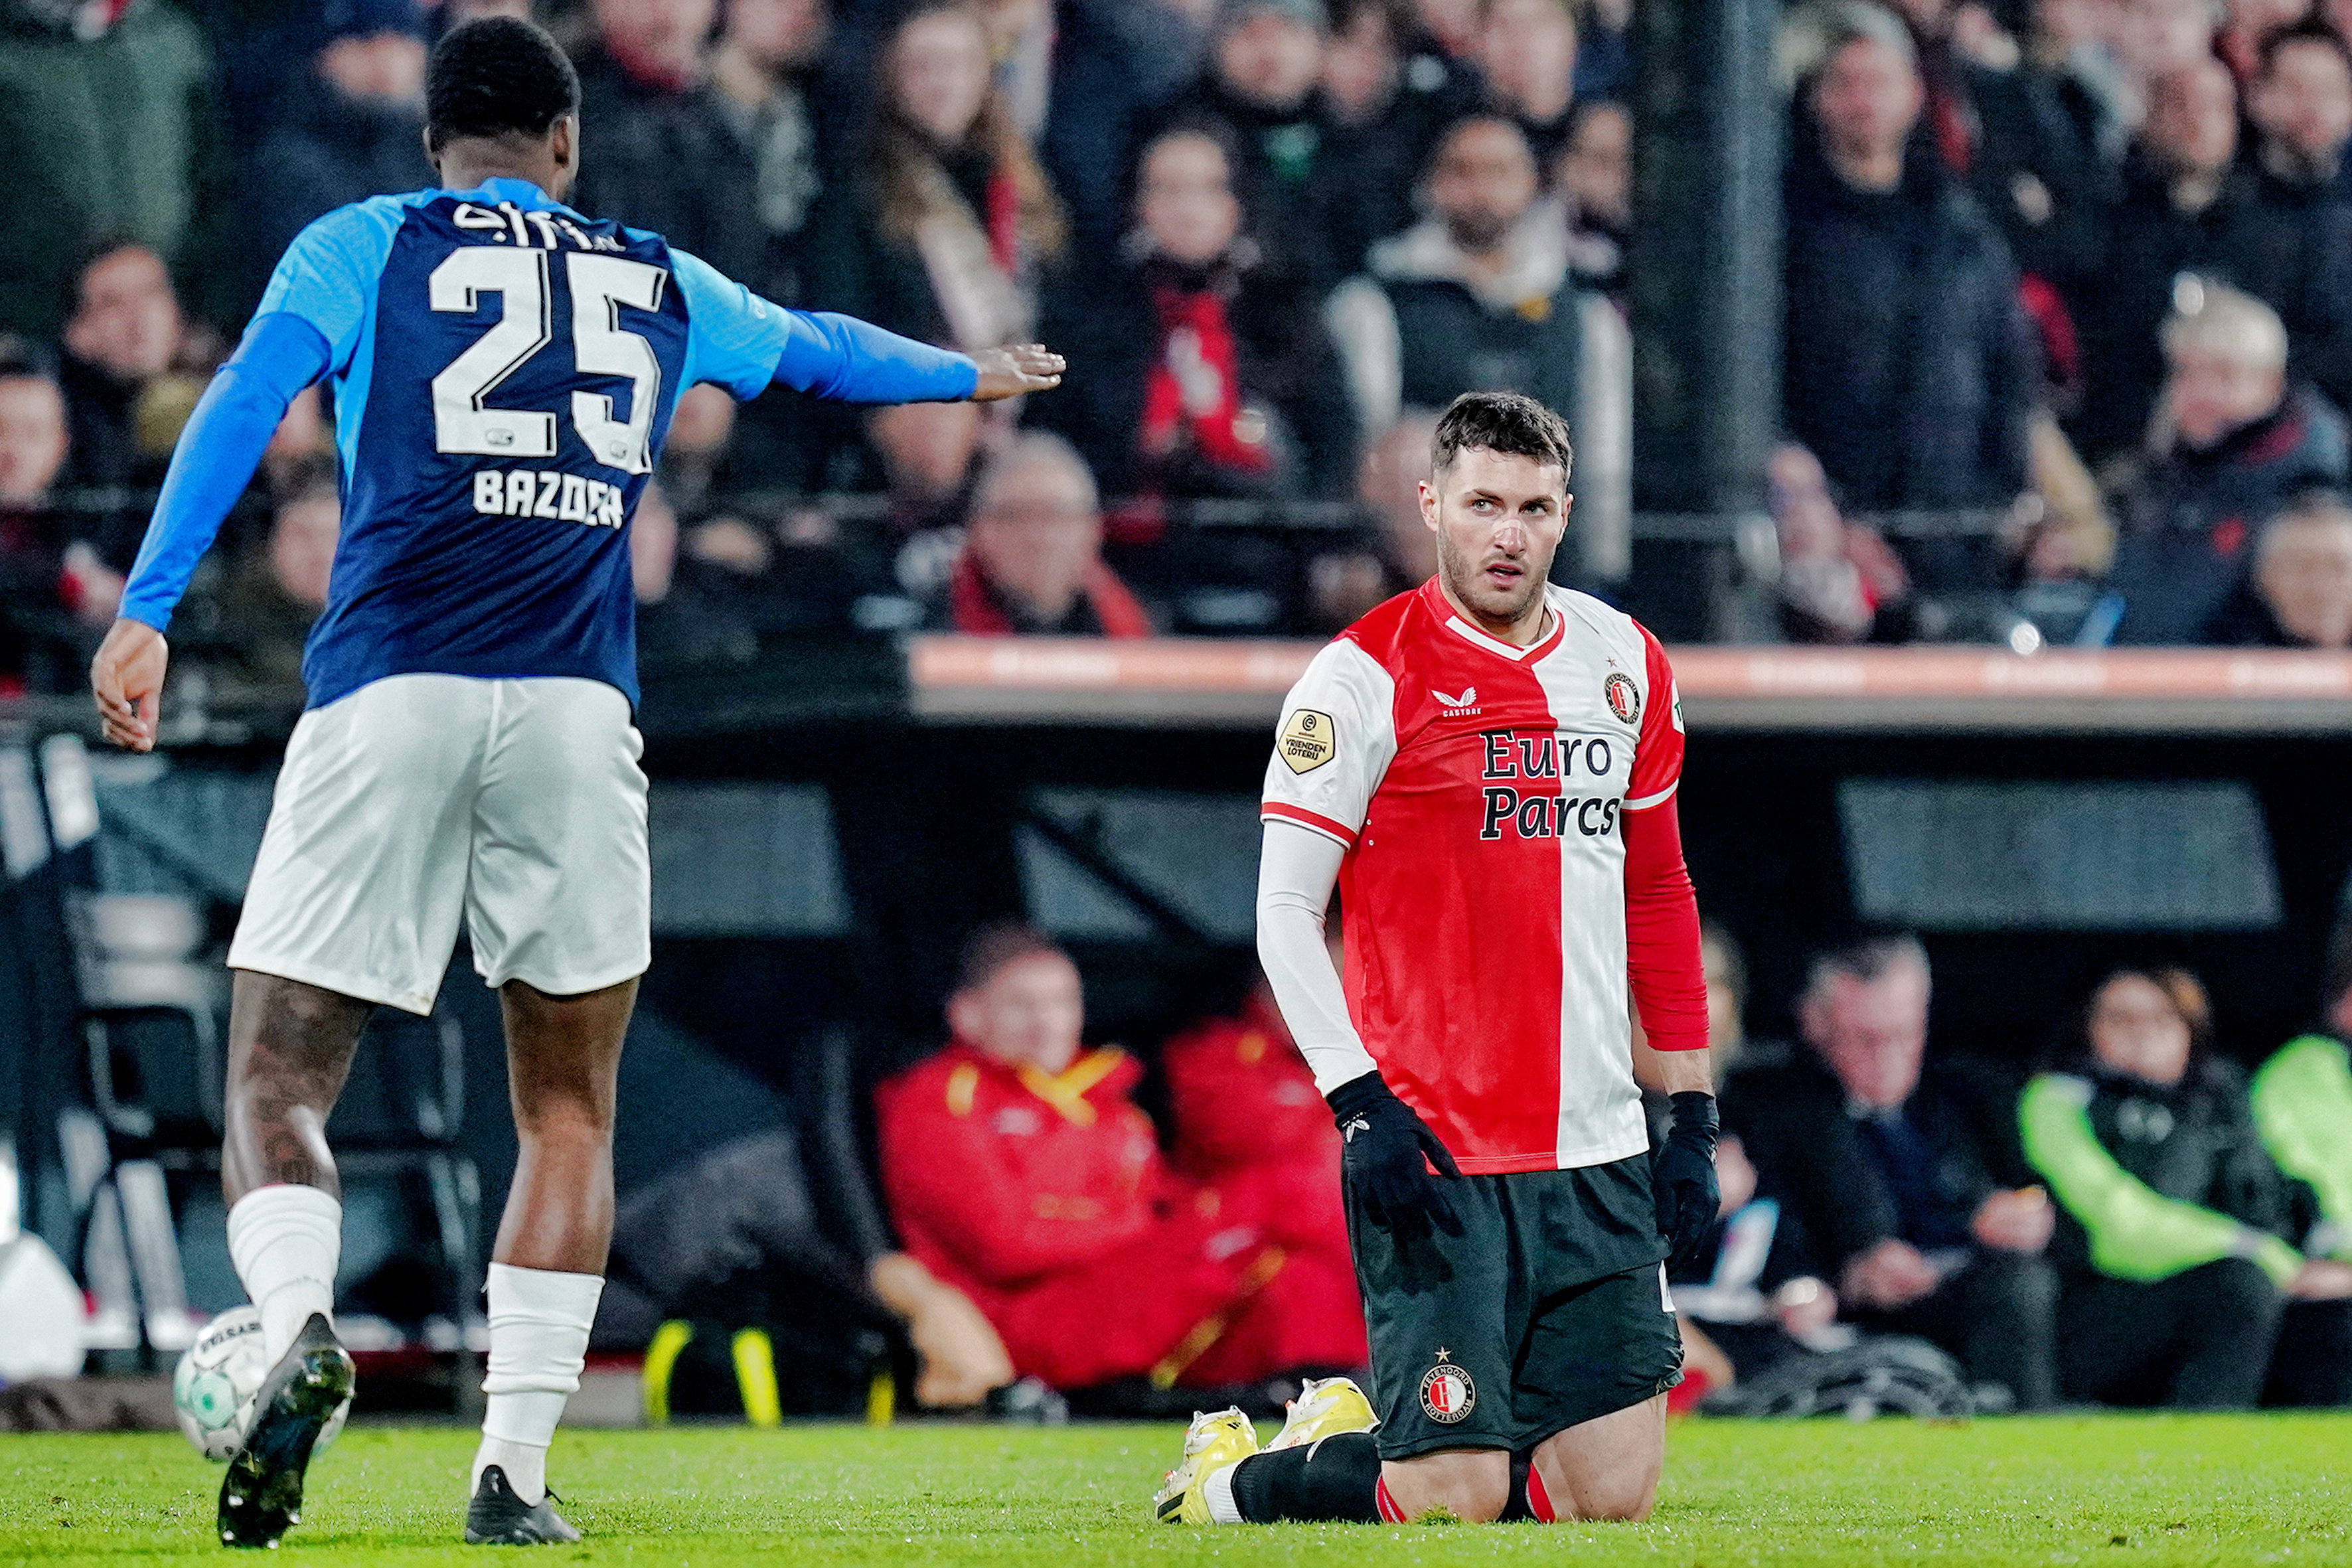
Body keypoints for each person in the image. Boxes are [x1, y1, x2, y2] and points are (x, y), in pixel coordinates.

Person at [84, 17, 1062, 1547]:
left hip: (388, 690)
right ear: (567, 142)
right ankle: (513, 1474)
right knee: (567, 1110)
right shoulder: (655, 274)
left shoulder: (364, 242)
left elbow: (238, 407)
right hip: (572, 711)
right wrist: (968, 370)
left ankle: (292, 1327)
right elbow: (818, 349)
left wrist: (147, 605)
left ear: (437, 143)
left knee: (277, 1075)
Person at [1157, 390, 1716, 1528]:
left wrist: (1692, 1111)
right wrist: (1358, 1103)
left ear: (1563, 515)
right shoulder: (1358, 678)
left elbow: (1656, 892)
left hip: (1597, 1141)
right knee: (1455, 1495)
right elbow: (1282, 911)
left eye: (1530, 507)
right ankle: (1231, 1484)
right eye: (1480, 505)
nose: (1505, 533)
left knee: (1606, 1497)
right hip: (1436, 1147)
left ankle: (1372, 1431)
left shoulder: (1627, 664)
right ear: (1430, 508)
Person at [874, 924, 1368, 1394]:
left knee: (1297, 1270)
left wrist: (1175, 1226)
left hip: (1114, 1295)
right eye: (1021, 1005)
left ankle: (1359, 1397)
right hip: (1029, 1320)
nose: (1046, 1022)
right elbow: (1005, 1244)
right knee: (1293, 1190)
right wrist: (1143, 1228)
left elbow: (1163, 1204)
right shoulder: (940, 1097)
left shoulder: (1105, 1102)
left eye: (1061, 1002)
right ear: (967, 1015)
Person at [1722, 935, 2061, 1410]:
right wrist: (1847, 1277)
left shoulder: (1969, 1094)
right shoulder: (1776, 1113)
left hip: (1989, 1295)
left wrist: (2030, 1219)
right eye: (1863, 1039)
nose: (1886, 1059)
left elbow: (2044, 1199)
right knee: (2017, 1291)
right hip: (1860, 1326)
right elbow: (1776, 1234)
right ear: (1814, 1025)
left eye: (1904, 1035)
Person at [1783, 1, 2035, 593]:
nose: (1862, 100)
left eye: (1878, 82)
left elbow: (2009, 375)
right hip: (1835, 546)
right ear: (1816, 99)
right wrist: (1832, 518)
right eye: (1844, 84)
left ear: (1914, 95)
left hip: (1960, 537)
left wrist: (2006, 506)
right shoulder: (1785, 232)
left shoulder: (1965, 231)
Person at [2019, 969, 2352, 1408]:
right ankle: (2204, 1467)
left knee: (2336, 1320)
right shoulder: (2056, 1100)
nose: (2142, 1035)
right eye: (2120, 1019)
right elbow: (2123, 1228)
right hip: (2103, 1311)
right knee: (2239, 1287)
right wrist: (2275, 1263)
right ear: (2085, 1029)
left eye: (2161, 1019)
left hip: (2247, 1298)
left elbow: (2276, 1206)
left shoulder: (2222, 1106)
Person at [1034, 125, 1358, 501]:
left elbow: (1331, 436)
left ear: (1236, 203)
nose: (1189, 209)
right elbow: (1060, 429)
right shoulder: (1087, 309)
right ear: (1137, 203)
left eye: (1210, 188)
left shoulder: (1284, 306)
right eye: (1168, 189)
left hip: (1267, 532)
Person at [2075, 56, 2352, 461]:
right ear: (2147, 116)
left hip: (2261, 454)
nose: (2197, 122)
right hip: (2130, 449)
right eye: (2179, 105)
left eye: (2215, 106)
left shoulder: (2285, 230)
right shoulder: (2107, 227)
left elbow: (2327, 351)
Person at [815, 1, 1068, 355]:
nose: (942, 83)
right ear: (893, 78)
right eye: (923, 66)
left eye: (959, 64)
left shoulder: (1022, 179)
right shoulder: (859, 188)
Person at [2103, 282, 2347, 644]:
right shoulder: (2151, 477)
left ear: (2270, 383)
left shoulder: (2315, 496)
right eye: (2186, 373)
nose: (2200, 394)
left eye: (2223, 375)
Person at [1328, 116, 1590, 439]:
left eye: (1499, 171)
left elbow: (1605, 453)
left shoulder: (1580, 306)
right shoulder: (1375, 300)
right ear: (1432, 183)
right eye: (1461, 171)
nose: (1481, 190)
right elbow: (1372, 440)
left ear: (1532, 183)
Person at [246, 0, 436, 311]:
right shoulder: (288, 159)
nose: (388, 63)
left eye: (402, 41)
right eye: (366, 42)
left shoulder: (435, 148)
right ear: (323, 56)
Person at [935, 432, 1151, 635]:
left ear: (1092, 532)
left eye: (1058, 516)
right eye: (1017, 516)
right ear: (979, 531)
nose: (1040, 538)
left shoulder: (1135, 629)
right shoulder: (934, 626)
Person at [2211, 489, 2352, 645]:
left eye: (2339, 568)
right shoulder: (2207, 652)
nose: (2321, 587)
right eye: (2302, 568)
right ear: (2265, 580)